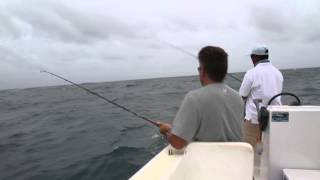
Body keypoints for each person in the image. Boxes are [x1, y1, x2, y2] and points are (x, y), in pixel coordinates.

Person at [157, 46, 244, 150]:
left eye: (199, 68)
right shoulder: (238, 97)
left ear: (203, 71)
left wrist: (166, 131)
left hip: (207, 162)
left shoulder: (194, 98)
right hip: (236, 160)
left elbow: (177, 143)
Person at [239, 45, 283, 149]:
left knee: (251, 150)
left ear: (254, 57)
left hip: (255, 119)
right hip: (276, 118)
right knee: (271, 149)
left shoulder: (251, 73)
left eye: (251, 57)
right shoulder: (278, 72)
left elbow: (242, 95)